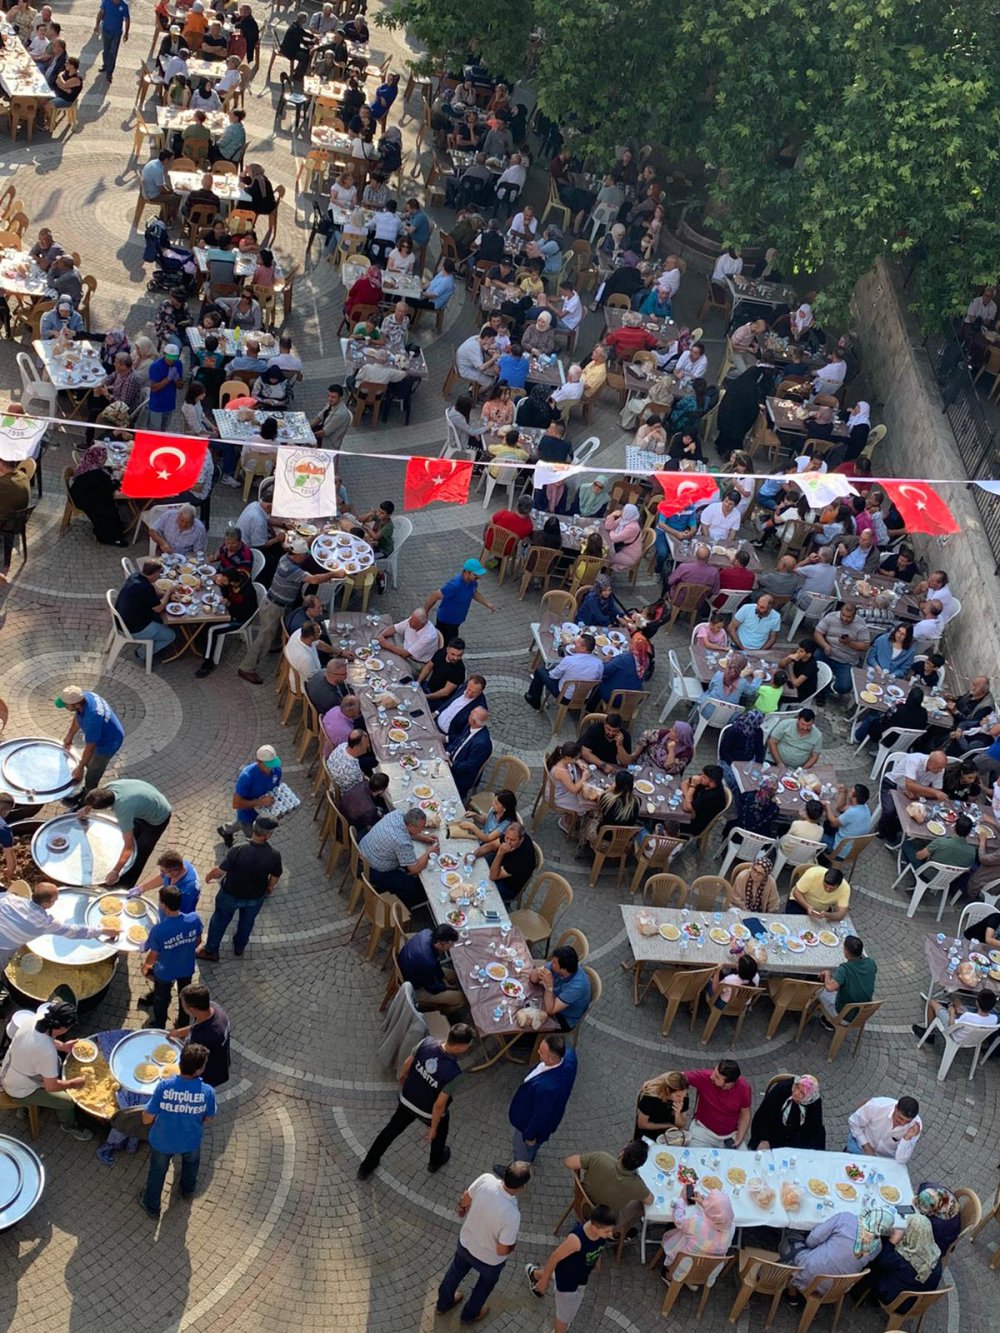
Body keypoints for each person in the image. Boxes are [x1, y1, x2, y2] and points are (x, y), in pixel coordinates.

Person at [358, 1023, 475, 1180]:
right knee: (442, 1128)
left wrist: (403, 1076)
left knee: (390, 1131)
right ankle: (435, 1162)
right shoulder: (454, 1073)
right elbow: (439, 1105)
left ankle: (366, 1166)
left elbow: (408, 1062)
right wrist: (433, 1128)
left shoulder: (426, 1042)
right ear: (460, 1046)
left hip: (407, 1099)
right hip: (426, 1111)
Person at [435, 1161, 531, 1324]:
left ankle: (443, 1304)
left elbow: (465, 1199)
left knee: (455, 1272)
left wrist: (461, 1209)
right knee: (484, 1286)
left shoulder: (486, 1179)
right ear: (521, 1187)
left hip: (466, 1243)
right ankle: (469, 1315)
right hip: (489, 1261)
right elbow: (502, 1250)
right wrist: (512, 1246)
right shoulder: (512, 1214)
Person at [138, 1042, 216, 1219]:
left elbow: (146, 1118)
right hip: (191, 1140)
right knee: (191, 1163)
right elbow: (208, 1118)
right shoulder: (208, 1092)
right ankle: (188, 1189)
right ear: (199, 1070)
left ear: (180, 1063)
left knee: (157, 1171)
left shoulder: (164, 1087)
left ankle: (151, 1206)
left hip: (162, 1141)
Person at [0, 999, 94, 1138]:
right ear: (63, 1028)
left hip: (10, 1068)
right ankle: (68, 1126)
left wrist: (63, 1046)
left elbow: (43, 1039)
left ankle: (27, 1107)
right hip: (19, 1089)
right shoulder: (47, 1052)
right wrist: (74, 1083)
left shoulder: (33, 1020)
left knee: (55, 1066)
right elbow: (51, 1086)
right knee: (67, 1102)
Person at [196, 816, 282, 961]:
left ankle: (211, 951)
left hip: (230, 895)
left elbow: (220, 871)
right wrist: (269, 887)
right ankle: (239, 947)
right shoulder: (274, 855)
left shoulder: (238, 849)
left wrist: (209, 876)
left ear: (253, 828)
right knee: (247, 922)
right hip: (255, 897)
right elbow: (276, 875)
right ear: (268, 835)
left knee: (219, 920)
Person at [0, 882, 118, 978]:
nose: (56, 902)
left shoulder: (9, 899)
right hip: (4, 948)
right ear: (46, 904)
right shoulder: (44, 923)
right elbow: (75, 931)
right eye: (55, 900)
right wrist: (102, 931)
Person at [785, 1208, 897, 1306]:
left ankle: (792, 1293)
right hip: (836, 1289)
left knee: (790, 1238)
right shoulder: (877, 1247)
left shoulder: (846, 1219)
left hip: (809, 1276)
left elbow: (812, 1240)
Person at [77, 780, 172, 888]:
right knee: (128, 837)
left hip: (158, 818)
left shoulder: (123, 810)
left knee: (140, 853)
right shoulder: (108, 788)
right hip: (145, 805)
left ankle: (123, 884)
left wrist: (115, 871)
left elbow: (128, 847)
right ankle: (118, 870)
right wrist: (86, 809)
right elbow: (94, 799)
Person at [138, 884, 202, 1029]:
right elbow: (198, 941)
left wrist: (146, 966)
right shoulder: (194, 919)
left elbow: (153, 955)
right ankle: (183, 1023)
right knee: (185, 996)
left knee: (161, 999)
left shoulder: (159, 930)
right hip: (186, 967)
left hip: (165, 972)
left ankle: (159, 1024)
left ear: (164, 905)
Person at [507, 1035, 577, 1165]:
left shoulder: (546, 1089)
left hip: (527, 1122)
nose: (538, 1052)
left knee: (521, 1153)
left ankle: (519, 1168)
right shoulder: (570, 1056)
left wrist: (529, 1135)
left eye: (542, 1052)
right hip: (549, 1118)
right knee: (532, 1149)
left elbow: (540, 1116)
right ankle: (531, 1155)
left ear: (552, 1059)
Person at [563, 1142, 653, 1232]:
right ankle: (619, 1233)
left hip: (581, 1205)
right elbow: (650, 1200)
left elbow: (568, 1162)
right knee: (640, 1206)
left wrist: (584, 1160)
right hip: (604, 1222)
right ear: (640, 1165)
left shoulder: (600, 1158)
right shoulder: (637, 1185)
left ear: (622, 1153)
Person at [359, 806, 438, 908]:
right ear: (411, 826)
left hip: (363, 851)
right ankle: (411, 905)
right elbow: (414, 868)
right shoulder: (402, 842)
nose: (423, 829)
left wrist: (424, 838)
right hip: (374, 869)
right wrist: (429, 852)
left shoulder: (397, 814)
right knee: (413, 887)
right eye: (421, 827)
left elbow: (407, 832)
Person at [55, 686, 124, 796]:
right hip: (104, 731)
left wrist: (80, 768)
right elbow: (78, 717)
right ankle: (87, 789)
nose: (65, 707)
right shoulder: (85, 696)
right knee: (88, 762)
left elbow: (90, 746)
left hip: (109, 743)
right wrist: (70, 735)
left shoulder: (92, 718)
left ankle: (89, 796)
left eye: (66, 705)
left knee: (93, 772)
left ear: (76, 704)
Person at [868, 1214, 943, 1312]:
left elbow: (880, 1260)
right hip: (919, 1302)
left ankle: (863, 1294)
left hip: (898, 1302)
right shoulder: (935, 1253)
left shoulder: (901, 1259)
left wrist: (891, 1242)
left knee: (871, 1265)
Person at [168, 984, 230, 1088]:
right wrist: (178, 1032)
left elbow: (193, 1067)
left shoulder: (203, 1037)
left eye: (183, 1006)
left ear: (192, 1009)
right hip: (221, 1060)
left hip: (209, 1073)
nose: (182, 1007)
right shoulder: (213, 1007)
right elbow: (196, 1026)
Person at [218, 745, 282, 845]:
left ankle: (225, 830)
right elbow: (236, 804)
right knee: (256, 839)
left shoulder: (277, 770)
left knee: (238, 823)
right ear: (259, 762)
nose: (272, 768)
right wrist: (260, 802)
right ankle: (226, 831)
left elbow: (275, 789)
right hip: (247, 815)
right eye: (269, 765)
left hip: (263, 813)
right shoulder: (246, 777)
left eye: (273, 763)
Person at [424, 560, 495, 644]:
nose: (478, 577)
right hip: (446, 621)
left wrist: (487, 604)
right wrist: (425, 612)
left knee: (444, 642)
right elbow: (435, 595)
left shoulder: (472, 582)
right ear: (467, 572)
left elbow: (474, 592)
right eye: (475, 575)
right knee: (446, 644)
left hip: (456, 621)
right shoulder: (454, 585)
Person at [398, 923, 464, 1014]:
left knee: (453, 975)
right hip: (414, 987)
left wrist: (442, 978)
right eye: (450, 944)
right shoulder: (427, 961)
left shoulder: (427, 932)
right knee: (460, 999)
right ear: (440, 944)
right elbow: (432, 988)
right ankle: (441, 1013)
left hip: (412, 968)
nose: (452, 946)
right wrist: (445, 987)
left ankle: (446, 997)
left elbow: (436, 964)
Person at [683, 1062, 751, 1147]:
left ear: (729, 1084)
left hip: (730, 1136)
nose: (711, 1076)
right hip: (702, 1131)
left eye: (717, 1077)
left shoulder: (744, 1088)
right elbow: (677, 1077)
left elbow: (745, 1114)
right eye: (714, 1072)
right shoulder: (704, 1077)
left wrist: (739, 1138)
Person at [749, 1074, 824, 1150]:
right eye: (797, 1087)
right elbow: (763, 1113)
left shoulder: (813, 1103)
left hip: (798, 1143)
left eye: (802, 1092)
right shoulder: (782, 1089)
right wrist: (763, 1139)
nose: (796, 1093)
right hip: (772, 1135)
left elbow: (815, 1130)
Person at [528, 946, 591, 1031]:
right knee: (527, 1000)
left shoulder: (576, 987)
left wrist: (549, 986)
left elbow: (550, 1010)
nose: (551, 963)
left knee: (530, 1021)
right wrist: (539, 972)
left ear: (564, 970)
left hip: (564, 1017)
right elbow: (533, 979)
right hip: (553, 998)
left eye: (554, 962)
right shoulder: (557, 967)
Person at [847, 1096, 922, 1161]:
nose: (902, 1123)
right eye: (900, 1118)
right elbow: (854, 1123)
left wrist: (907, 1138)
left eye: (907, 1121)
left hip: (885, 1158)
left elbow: (901, 1159)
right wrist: (866, 1146)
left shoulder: (915, 1127)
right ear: (895, 1108)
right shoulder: (876, 1106)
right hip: (860, 1145)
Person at [446, 706, 492, 804]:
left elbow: (469, 766)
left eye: (470, 714)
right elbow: (458, 740)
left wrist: (451, 765)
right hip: (451, 762)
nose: (468, 715)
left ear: (474, 721)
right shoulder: (471, 726)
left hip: (460, 776)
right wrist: (447, 752)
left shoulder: (482, 744)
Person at [717, 710, 765, 794]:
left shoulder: (758, 731)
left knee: (758, 780)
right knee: (737, 783)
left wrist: (758, 766)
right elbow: (723, 753)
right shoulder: (733, 731)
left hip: (749, 761)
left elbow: (760, 751)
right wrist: (736, 766)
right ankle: (737, 798)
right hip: (730, 762)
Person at [628, 721, 694, 777]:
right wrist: (636, 754)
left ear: (679, 737)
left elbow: (669, 768)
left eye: (673, 731)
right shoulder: (664, 734)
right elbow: (646, 735)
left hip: (661, 775)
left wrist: (671, 751)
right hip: (644, 763)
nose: (670, 730)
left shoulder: (685, 753)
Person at [821, 782, 873, 852]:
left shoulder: (853, 812)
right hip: (851, 846)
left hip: (838, 849)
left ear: (854, 797)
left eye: (851, 791)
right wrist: (844, 792)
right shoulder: (864, 807)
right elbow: (841, 808)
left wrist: (827, 805)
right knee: (828, 821)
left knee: (817, 834)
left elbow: (833, 823)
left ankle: (822, 852)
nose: (849, 790)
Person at [679, 765, 727, 837]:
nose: (700, 777)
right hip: (692, 811)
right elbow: (683, 784)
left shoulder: (712, 796)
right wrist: (688, 798)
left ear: (712, 783)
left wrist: (693, 786)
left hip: (694, 823)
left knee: (667, 819)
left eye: (704, 777)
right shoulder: (704, 780)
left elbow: (686, 807)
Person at [913, 1186, 962, 1254]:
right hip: (953, 1225)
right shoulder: (934, 1189)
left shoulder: (937, 1224)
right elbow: (922, 1187)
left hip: (940, 1245)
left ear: (933, 1212)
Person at [95, 0, 130, 82]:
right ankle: (105, 65)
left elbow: (127, 19)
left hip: (116, 34)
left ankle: (109, 72)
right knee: (106, 50)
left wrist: (126, 33)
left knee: (113, 52)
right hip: (106, 31)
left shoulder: (124, 6)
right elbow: (101, 13)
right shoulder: (106, 2)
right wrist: (97, 25)